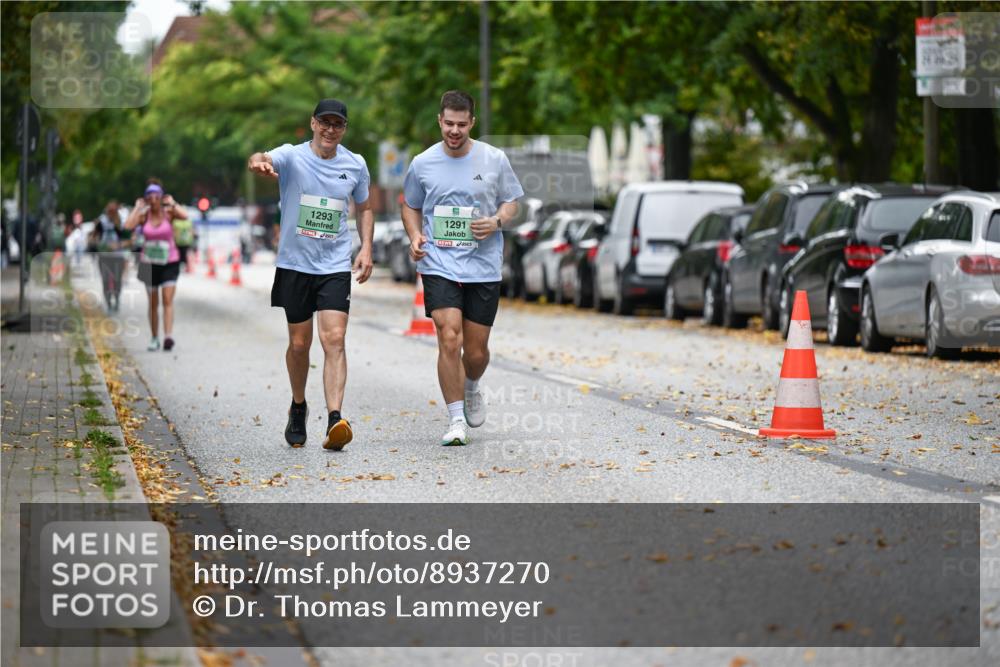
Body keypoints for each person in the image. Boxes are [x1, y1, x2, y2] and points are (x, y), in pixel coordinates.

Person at [246, 99, 374, 451]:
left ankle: (336, 419)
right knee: (300, 344)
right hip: (294, 265)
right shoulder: (292, 155)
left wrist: (365, 248)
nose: (331, 129)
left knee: (334, 340)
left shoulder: (355, 164)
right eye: (325, 122)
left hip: (334, 266)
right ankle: (299, 405)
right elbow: (262, 157)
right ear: (313, 123)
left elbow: (364, 208)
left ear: (344, 129)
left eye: (338, 124)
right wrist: (259, 163)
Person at [402, 90, 523, 446]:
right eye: (448, 124)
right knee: (447, 335)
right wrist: (414, 236)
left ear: (472, 122)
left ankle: (471, 385)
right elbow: (410, 205)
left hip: (483, 267)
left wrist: (498, 221)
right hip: (440, 263)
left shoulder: (494, 158)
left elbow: (512, 200)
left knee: (477, 352)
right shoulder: (422, 163)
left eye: (461, 124)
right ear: (440, 121)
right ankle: (456, 420)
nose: (454, 131)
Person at [125, 180, 188, 351]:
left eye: (156, 196)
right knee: (153, 303)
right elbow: (127, 226)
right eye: (149, 196)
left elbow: (185, 215)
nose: (153, 199)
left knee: (167, 300)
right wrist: (137, 207)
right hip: (149, 264)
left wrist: (173, 203)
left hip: (170, 261)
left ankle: (168, 336)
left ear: (161, 197)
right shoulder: (143, 215)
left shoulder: (169, 213)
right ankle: (154, 338)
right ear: (146, 199)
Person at [92, 200, 132, 312]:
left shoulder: (122, 223)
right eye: (109, 211)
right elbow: (94, 236)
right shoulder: (101, 222)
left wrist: (118, 245)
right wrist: (98, 243)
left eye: (113, 211)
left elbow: (129, 240)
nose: (110, 214)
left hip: (118, 256)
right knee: (105, 280)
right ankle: (109, 302)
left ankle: (117, 299)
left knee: (117, 280)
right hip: (104, 256)